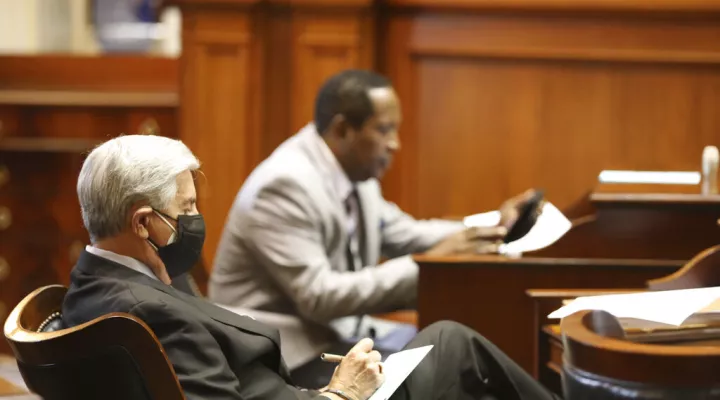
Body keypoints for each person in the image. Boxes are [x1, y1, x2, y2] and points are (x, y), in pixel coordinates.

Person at [62, 134, 558, 400]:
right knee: (453, 343)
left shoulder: (99, 280)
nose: (196, 220)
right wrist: (342, 393)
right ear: (144, 223)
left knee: (449, 351)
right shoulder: (144, 312)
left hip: (301, 390)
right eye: (186, 209)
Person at [209, 69, 537, 370]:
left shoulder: (353, 173)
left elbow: (406, 233)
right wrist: (430, 263)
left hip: (335, 334)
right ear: (342, 129)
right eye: (383, 130)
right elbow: (319, 296)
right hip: (280, 354)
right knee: (444, 364)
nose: (395, 144)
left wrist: (494, 226)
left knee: (459, 346)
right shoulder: (284, 185)